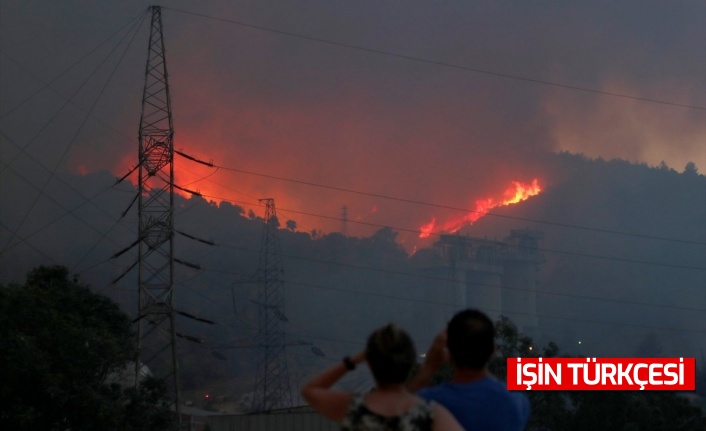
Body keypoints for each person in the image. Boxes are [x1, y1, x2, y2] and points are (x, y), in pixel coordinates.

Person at [301, 323, 464, 431]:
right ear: (411, 363)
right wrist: (430, 367)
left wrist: (352, 361)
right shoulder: (430, 415)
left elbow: (310, 389)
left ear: (370, 363)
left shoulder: (353, 409)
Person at [410, 309, 531, 431]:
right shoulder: (517, 403)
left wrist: (428, 367)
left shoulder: (429, 402)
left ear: (449, 352)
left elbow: (398, 418)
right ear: (493, 351)